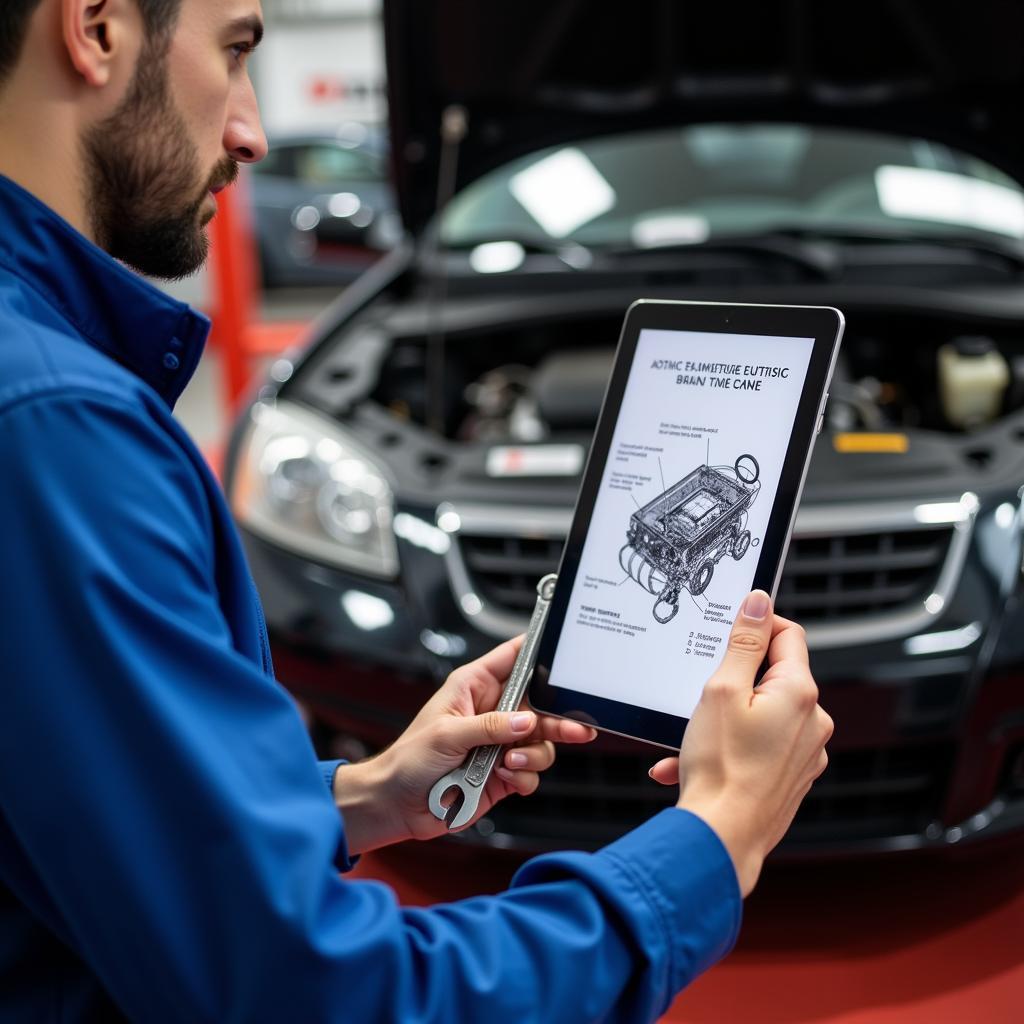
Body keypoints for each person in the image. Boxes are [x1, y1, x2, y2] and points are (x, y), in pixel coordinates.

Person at [0, 1, 833, 1020]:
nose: (253, 130)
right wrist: (715, 834)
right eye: (234, 52)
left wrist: (360, 794)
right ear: (94, 28)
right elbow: (321, 996)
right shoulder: (56, 427)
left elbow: (75, 807)